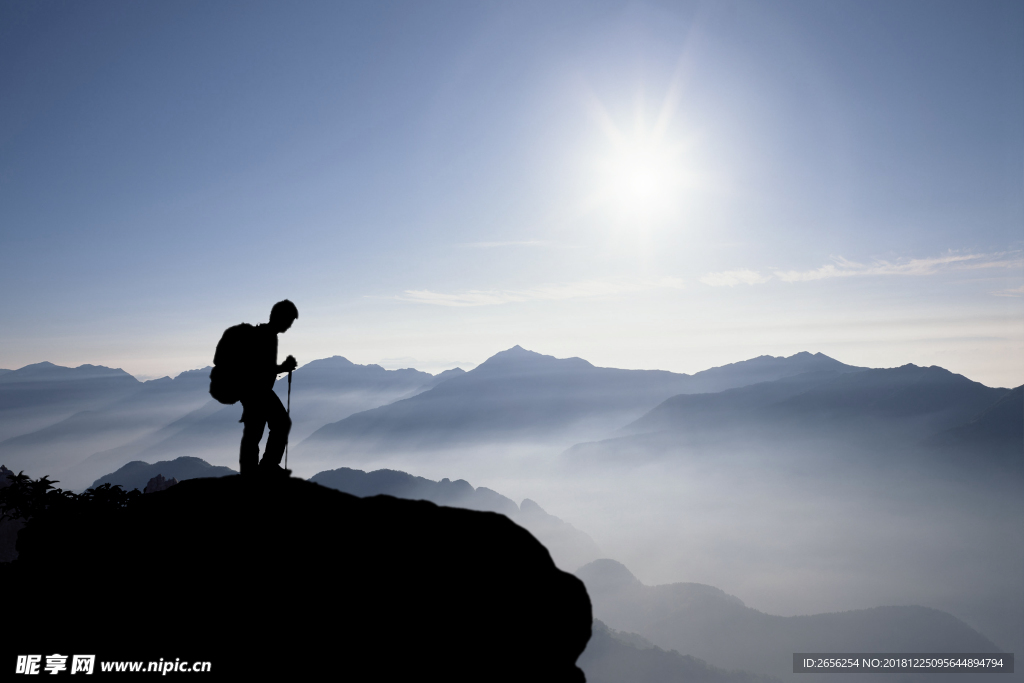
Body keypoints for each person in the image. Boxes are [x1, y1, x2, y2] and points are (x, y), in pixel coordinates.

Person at [237, 300, 299, 478]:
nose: (289, 325)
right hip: (257, 390)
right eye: (288, 320)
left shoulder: (265, 334)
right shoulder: (267, 336)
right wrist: (284, 368)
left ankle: (255, 470)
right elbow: (261, 368)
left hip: (252, 390)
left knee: (255, 431)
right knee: (279, 424)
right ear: (280, 317)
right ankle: (266, 467)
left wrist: (281, 368)